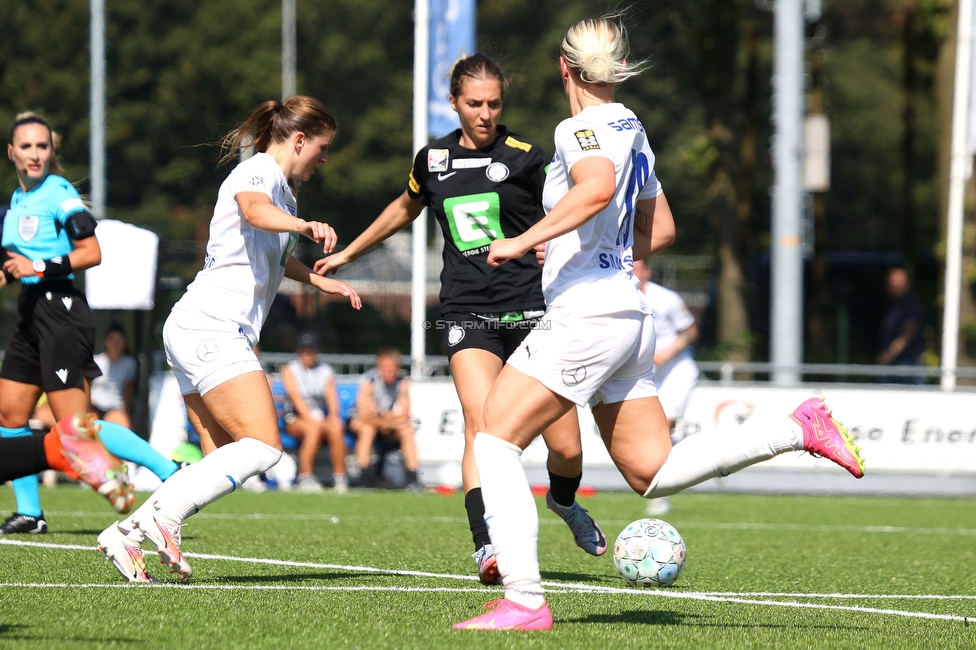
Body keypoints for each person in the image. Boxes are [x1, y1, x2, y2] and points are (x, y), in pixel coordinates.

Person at [453, 15, 866, 631]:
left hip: (587, 315)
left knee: (493, 442)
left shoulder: (578, 128)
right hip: (627, 316)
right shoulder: (630, 125)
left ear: (564, 68)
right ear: (614, 70)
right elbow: (661, 229)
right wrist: (568, 247)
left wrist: (524, 241)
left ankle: (524, 599)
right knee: (653, 471)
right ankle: (794, 427)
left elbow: (595, 190)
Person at [317, 53, 603, 584]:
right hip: (466, 311)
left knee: (565, 447)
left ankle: (564, 502)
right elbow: (404, 208)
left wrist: (555, 246)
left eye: (494, 103)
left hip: (534, 311)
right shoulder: (433, 160)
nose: (486, 113)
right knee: (482, 427)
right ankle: (486, 547)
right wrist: (350, 253)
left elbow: (573, 210)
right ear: (453, 103)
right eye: (474, 103)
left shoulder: (527, 158)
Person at [95, 95, 360, 583]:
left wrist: (319, 280)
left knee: (221, 458)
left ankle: (127, 533)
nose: (324, 158)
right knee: (262, 446)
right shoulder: (256, 173)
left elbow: (274, 256)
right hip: (210, 325)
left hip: (199, 326)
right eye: (322, 147)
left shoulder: (285, 193)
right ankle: (161, 518)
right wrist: (304, 226)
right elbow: (254, 212)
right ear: (298, 140)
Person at [0, 112, 178, 533]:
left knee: (74, 428)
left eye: (42, 146)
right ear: (12, 153)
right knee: (9, 415)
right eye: (25, 146)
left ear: (51, 151)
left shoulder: (59, 194)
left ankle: (170, 471)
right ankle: (30, 512)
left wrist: (37, 265)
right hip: (30, 312)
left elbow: (91, 252)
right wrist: (9, 272)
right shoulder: (17, 202)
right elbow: (15, 263)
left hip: (61, 310)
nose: (34, 154)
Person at [632, 259, 700, 516]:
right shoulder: (617, 298)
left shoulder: (666, 298)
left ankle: (662, 492)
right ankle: (663, 478)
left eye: (637, 267)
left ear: (647, 272)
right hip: (644, 373)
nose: (632, 272)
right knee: (647, 431)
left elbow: (690, 331)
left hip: (675, 372)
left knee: (662, 425)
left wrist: (666, 353)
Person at [280, 331, 348, 493]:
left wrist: (333, 417)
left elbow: (332, 399)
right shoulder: (289, 369)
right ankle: (305, 476)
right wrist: (312, 419)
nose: (308, 353)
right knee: (313, 429)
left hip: (319, 416)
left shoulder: (326, 371)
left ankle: (340, 478)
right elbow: (295, 397)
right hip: (295, 417)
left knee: (336, 429)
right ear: (299, 351)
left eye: (311, 349)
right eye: (305, 349)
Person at [347, 348, 421, 490]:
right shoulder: (369, 381)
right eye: (385, 368)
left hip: (387, 423)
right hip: (364, 422)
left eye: (392, 369)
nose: (389, 372)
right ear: (379, 368)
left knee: (407, 430)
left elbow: (405, 413)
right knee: (368, 429)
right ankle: (363, 476)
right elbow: (365, 415)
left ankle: (413, 478)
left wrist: (383, 417)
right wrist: (386, 418)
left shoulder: (402, 382)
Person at [877, 267, 925, 384]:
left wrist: (890, 353)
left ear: (906, 284)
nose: (891, 288)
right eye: (890, 285)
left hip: (906, 364)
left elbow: (908, 332)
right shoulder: (895, 304)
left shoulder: (911, 304)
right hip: (898, 363)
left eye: (895, 285)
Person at [90, 323, 139, 429]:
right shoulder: (96, 361)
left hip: (115, 407)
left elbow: (129, 389)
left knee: (124, 428)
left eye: (119, 341)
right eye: (112, 340)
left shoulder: (129, 363)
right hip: (94, 406)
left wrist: (125, 408)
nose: (115, 344)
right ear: (106, 341)